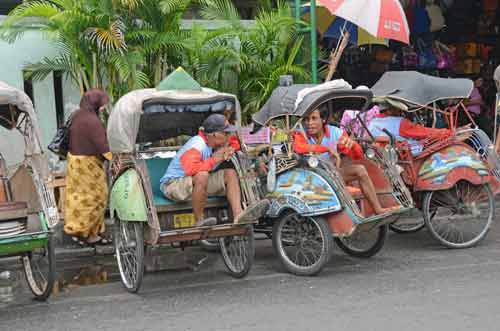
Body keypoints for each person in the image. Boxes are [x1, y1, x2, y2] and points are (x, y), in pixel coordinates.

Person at [160, 114, 268, 227]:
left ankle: (238, 215)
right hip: (173, 185)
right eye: (226, 133)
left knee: (230, 174)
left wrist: (230, 148)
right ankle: (199, 221)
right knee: (202, 175)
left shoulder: (212, 143)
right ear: (215, 134)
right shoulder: (197, 145)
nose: (228, 136)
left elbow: (235, 141)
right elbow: (191, 170)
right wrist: (214, 159)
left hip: (193, 184)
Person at [292, 108, 397, 215]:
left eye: (314, 118)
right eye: (306, 119)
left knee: (360, 169)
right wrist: (327, 149)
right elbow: (299, 148)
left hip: (332, 174)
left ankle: (377, 209)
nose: (309, 123)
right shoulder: (300, 132)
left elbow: (357, 156)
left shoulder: (336, 132)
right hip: (310, 178)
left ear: (323, 119)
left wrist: (353, 145)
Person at [64, 89, 112, 246]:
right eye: (102, 104)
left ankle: (87, 234)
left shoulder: (77, 115)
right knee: (96, 198)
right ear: (95, 103)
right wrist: (115, 158)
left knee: (77, 197)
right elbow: (102, 145)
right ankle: (84, 231)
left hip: (75, 164)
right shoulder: (92, 121)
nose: (104, 108)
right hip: (88, 166)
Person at [368, 101, 451, 155]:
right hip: (408, 153)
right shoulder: (399, 122)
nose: (400, 111)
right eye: (397, 109)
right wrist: (445, 132)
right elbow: (422, 132)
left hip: (383, 154)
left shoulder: (372, 122)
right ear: (389, 110)